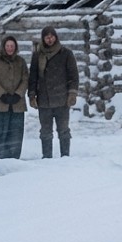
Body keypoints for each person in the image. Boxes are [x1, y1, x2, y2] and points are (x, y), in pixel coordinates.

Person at [28, 25, 79, 158]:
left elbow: (73, 76)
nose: (49, 40)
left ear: (56, 37)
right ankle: (47, 158)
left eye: (51, 37)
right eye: (46, 37)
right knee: (45, 132)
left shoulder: (66, 53)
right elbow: (32, 77)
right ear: (43, 39)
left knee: (63, 131)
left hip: (62, 100)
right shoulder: (37, 55)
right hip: (44, 101)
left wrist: (72, 93)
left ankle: (65, 157)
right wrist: (32, 95)